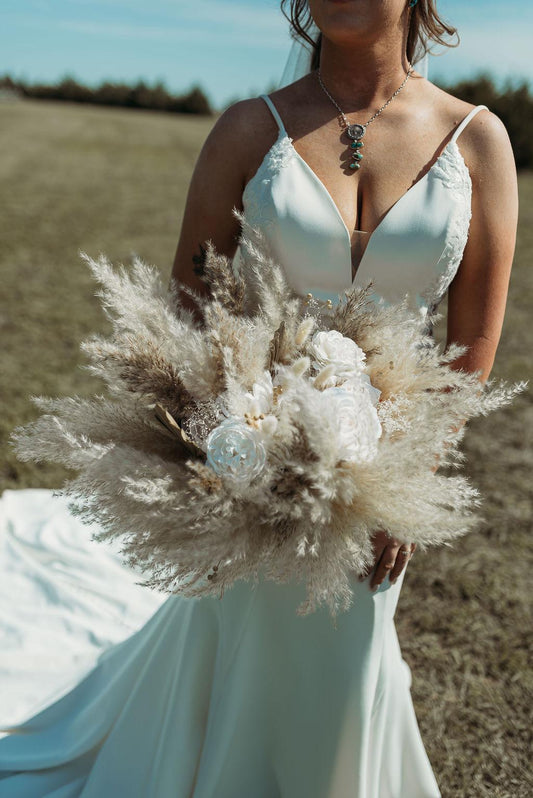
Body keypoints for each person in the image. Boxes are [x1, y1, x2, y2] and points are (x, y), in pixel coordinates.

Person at [0, 0, 518, 795]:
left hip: (382, 464)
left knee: (346, 654)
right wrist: (220, 436)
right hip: (248, 454)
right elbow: (187, 305)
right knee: (241, 644)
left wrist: (408, 483)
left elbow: (473, 344)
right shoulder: (249, 129)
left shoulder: (476, 139)